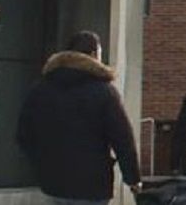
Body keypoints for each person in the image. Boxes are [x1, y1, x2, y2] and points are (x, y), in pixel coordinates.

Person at [17, 31, 142, 205]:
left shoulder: (41, 88)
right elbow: (122, 139)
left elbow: (24, 134)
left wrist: (42, 163)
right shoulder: (104, 91)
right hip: (92, 184)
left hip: (53, 183)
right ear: (93, 55)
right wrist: (133, 179)